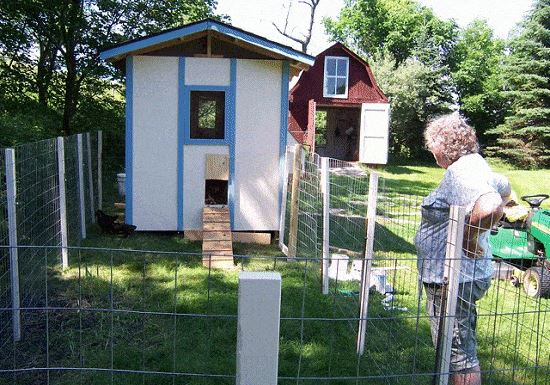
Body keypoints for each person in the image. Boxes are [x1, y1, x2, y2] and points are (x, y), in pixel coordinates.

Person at [415, 114, 509, 385]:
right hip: (463, 276)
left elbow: (491, 203)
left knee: (459, 355)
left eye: (432, 144)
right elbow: (503, 188)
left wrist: (470, 238)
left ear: (442, 145)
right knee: (458, 346)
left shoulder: (461, 172)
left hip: (455, 279)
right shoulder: (475, 165)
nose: (431, 151)